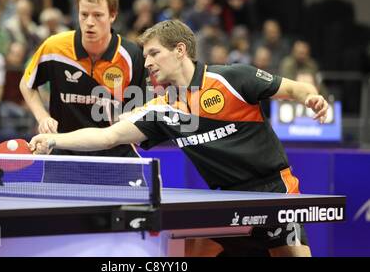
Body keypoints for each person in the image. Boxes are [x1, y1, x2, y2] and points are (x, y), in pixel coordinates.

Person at [30, 20, 329, 257]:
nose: (146, 62)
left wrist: (313, 98)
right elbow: (108, 136)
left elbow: (291, 89)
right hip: (226, 199)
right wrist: (56, 140)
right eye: (145, 55)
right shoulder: (161, 109)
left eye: (153, 53)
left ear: (180, 50)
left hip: (273, 191)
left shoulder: (231, 78)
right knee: (189, 252)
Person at [20, 0, 147, 183]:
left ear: (112, 15)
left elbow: (140, 110)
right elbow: (27, 84)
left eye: (98, 15)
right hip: (63, 158)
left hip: (117, 160)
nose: (89, 22)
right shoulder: (55, 48)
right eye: (84, 14)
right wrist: (42, 116)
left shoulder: (131, 56)